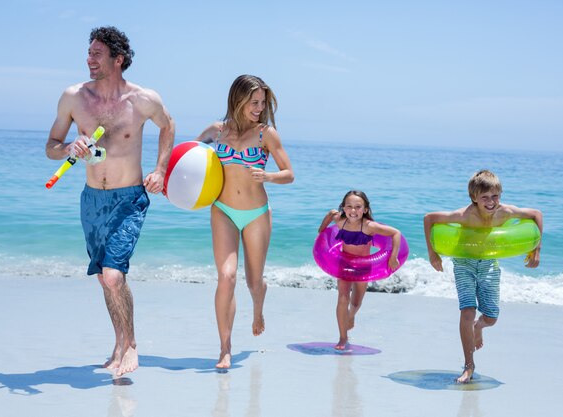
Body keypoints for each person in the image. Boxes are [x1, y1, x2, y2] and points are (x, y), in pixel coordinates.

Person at [45, 26, 175, 376]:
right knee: (106, 277)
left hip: (129, 197)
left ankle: (131, 345)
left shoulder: (143, 99)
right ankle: (118, 342)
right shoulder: (73, 97)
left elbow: (168, 126)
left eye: (97, 54)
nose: (89, 59)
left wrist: (160, 169)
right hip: (91, 200)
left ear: (118, 60)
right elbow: (51, 146)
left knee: (114, 275)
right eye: (88, 53)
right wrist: (68, 149)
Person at [195, 75, 294, 369]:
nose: (259, 107)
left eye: (263, 103)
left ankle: (259, 308)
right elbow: (189, 155)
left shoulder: (267, 134)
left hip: (256, 214)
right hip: (222, 209)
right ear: (238, 100)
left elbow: (289, 173)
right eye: (254, 102)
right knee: (226, 277)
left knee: (253, 282)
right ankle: (225, 347)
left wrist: (270, 176)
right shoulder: (218, 130)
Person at [423, 169, 543, 383]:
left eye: (495, 196)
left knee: (492, 317)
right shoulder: (465, 215)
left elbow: (536, 214)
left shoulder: (505, 212)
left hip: (488, 263)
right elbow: (429, 218)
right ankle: (469, 366)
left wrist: (536, 249)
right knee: (467, 311)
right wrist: (433, 254)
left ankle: (479, 327)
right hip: (464, 262)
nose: (491, 202)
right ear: (474, 198)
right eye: (485, 197)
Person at [318, 190, 402, 351]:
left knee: (356, 302)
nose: (353, 210)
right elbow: (331, 214)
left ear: (365, 209)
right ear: (343, 208)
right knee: (343, 298)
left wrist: (393, 257)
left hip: (364, 266)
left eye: (358, 207)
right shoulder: (340, 221)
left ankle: (351, 315)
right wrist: (321, 231)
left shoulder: (369, 226)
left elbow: (395, 233)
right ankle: (343, 337)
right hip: (344, 264)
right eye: (349, 206)